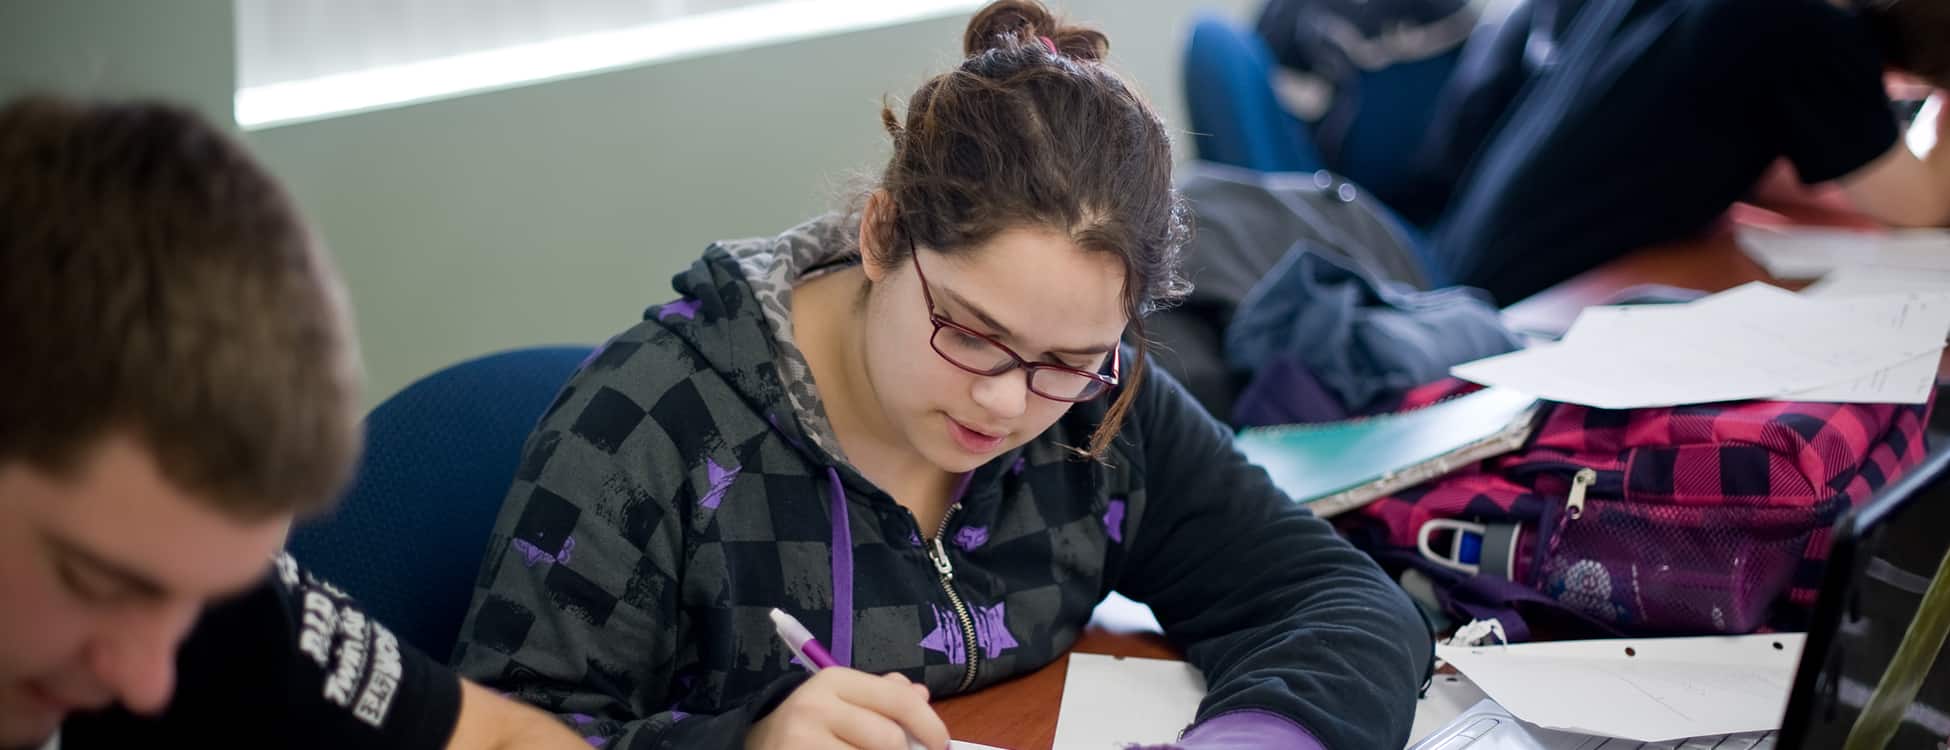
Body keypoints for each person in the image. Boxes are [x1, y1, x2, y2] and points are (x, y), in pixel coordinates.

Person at [450, 2, 1433, 749]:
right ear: (882, 236)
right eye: (970, 332)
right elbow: (498, 730)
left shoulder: (1098, 415)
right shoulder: (651, 425)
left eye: (1068, 360)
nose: (1008, 401)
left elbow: (1335, 601)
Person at [0, 95, 586, 750]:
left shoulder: (214, 601)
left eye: (196, 602)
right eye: (94, 582)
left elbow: (503, 738)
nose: (146, 682)